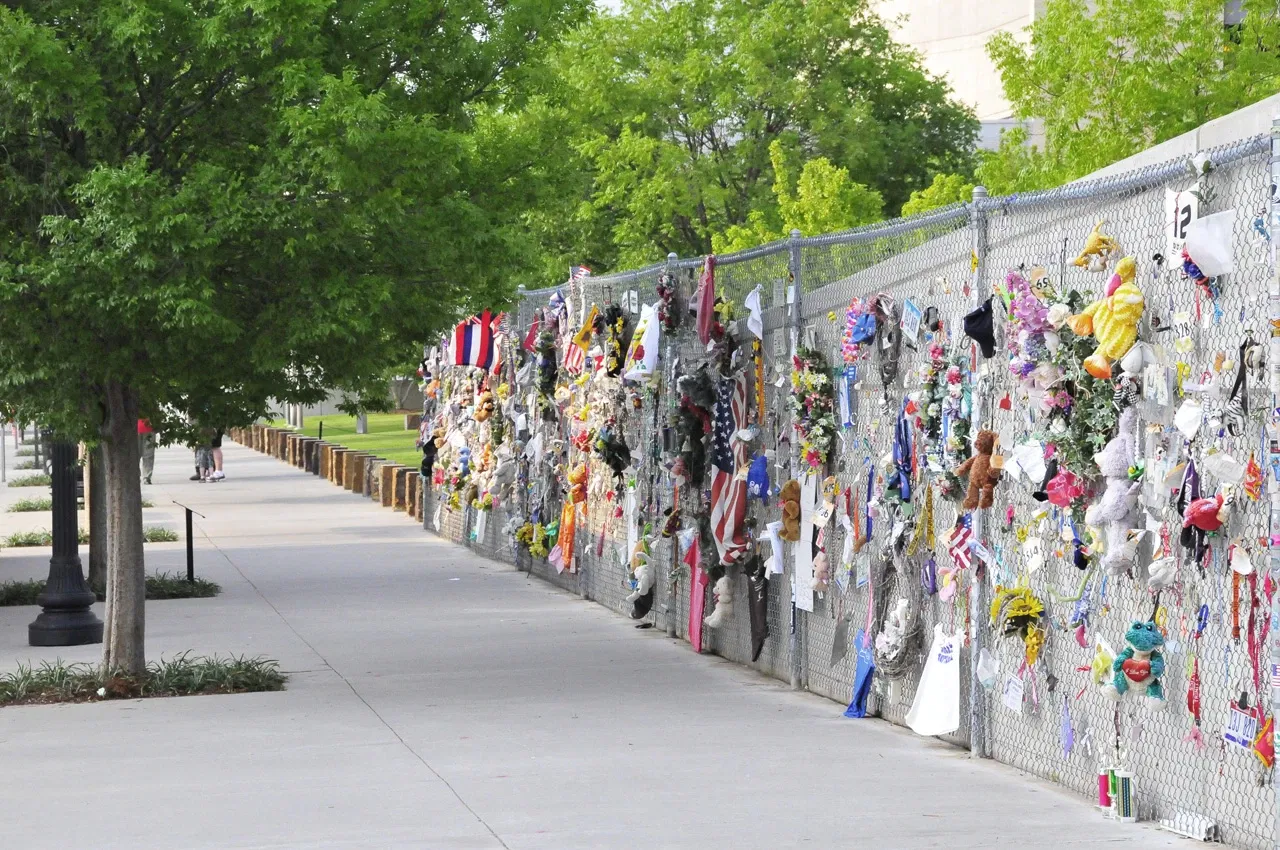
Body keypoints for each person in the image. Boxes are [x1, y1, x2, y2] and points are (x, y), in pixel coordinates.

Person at [137, 419, 156, 485]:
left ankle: (147, 477)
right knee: (135, 455)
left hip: (149, 428)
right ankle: (138, 476)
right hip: (135, 428)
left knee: (148, 455)